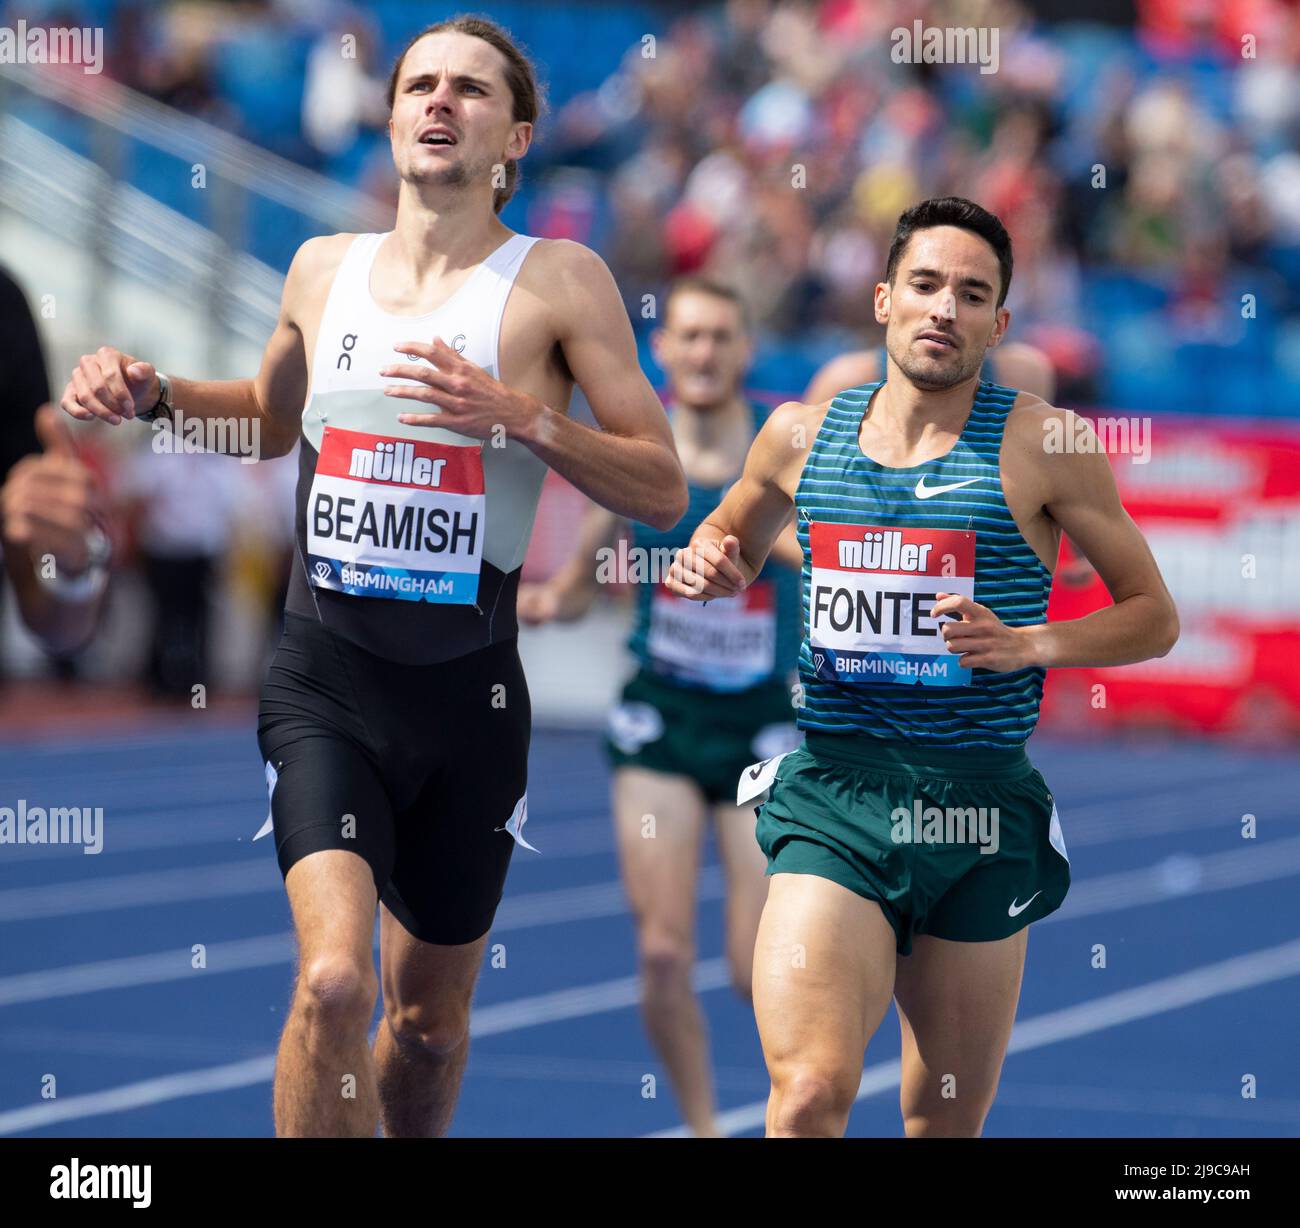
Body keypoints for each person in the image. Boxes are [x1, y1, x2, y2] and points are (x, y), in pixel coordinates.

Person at [59, 15, 687, 1138]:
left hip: (471, 701)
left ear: (519, 136)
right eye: (420, 85)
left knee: (428, 1020)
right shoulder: (320, 268)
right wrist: (154, 395)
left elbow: (659, 487)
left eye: (472, 91)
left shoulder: (557, 283)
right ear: (390, 114)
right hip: (326, 682)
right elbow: (265, 424)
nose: (440, 103)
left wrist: (524, 416)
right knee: (332, 982)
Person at [666, 197, 1179, 1138]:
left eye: (973, 294)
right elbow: (728, 533)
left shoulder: (1047, 444)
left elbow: (1154, 617)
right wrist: (709, 559)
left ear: (1000, 323)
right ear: (883, 300)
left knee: (939, 1118)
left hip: (977, 807)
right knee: (811, 1095)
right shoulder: (798, 435)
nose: (946, 308)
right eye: (928, 285)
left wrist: (1032, 643)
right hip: (835, 797)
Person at [517, 277, 802, 1136]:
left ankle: (801, 1104)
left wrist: (740, 536)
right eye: (690, 337)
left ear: (745, 349)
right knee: (662, 950)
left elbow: (824, 554)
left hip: (762, 729)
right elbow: (577, 587)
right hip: (660, 721)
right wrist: (528, 601)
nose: (706, 352)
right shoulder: (642, 457)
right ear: (666, 352)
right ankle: (704, 1125)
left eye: (722, 336)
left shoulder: (780, 449)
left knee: (759, 967)